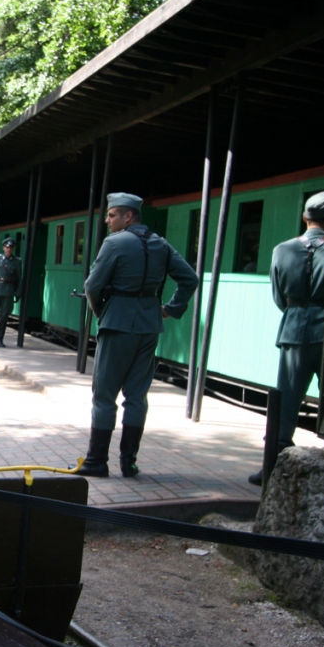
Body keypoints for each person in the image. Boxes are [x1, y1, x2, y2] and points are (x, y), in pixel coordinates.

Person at [77, 192, 198, 478]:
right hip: (149, 326)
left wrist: (100, 312)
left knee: (104, 395)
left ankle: (96, 461)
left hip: (117, 324)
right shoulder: (161, 245)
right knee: (136, 396)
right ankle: (128, 462)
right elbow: (189, 279)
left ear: (127, 216)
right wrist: (169, 309)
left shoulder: (114, 243)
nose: (107, 220)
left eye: (111, 215)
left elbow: (92, 286)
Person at [248, 191, 324, 486]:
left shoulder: (281, 250)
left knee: (285, 400)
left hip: (294, 328)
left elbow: (277, 295)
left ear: (304, 217)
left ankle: (271, 465)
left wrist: (296, 312)